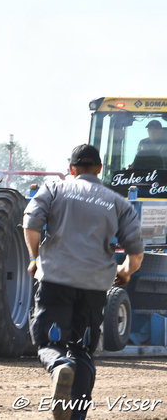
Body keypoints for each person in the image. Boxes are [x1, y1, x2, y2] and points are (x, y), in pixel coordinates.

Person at [23, 144, 144, 420]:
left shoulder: (54, 189)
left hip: (56, 280)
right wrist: (125, 272)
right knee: (83, 350)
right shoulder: (118, 203)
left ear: (71, 169)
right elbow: (135, 253)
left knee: (48, 344)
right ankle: (75, 416)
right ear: (99, 169)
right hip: (94, 287)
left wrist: (34, 258)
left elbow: (31, 223)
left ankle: (59, 366)